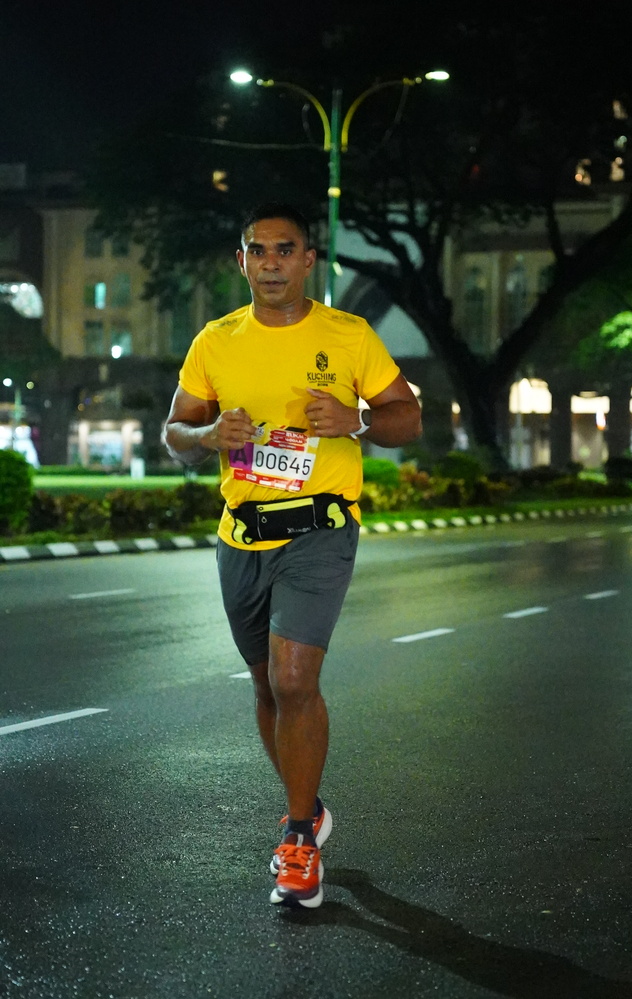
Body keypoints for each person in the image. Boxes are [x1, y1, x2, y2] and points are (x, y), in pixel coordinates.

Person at [163, 203, 422, 908]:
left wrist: (355, 421)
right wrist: (208, 435)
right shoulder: (216, 340)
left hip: (320, 530)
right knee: (266, 687)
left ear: (309, 260)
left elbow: (407, 417)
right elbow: (175, 431)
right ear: (242, 261)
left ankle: (300, 838)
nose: (272, 262)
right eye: (259, 250)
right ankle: (307, 804)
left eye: (286, 249)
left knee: (294, 679)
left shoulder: (348, 335)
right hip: (241, 534)